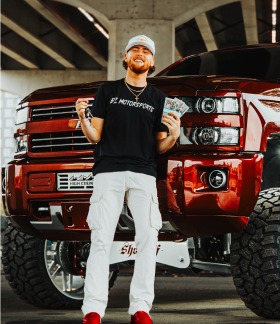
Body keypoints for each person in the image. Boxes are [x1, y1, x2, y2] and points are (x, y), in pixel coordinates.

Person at [76, 35, 180, 324]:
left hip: (144, 174)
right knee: (100, 239)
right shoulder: (107, 91)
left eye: (146, 51)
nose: (139, 53)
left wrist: (172, 136)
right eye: (134, 49)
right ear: (125, 59)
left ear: (152, 62)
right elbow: (95, 135)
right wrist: (84, 119)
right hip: (108, 172)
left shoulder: (158, 99)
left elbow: (159, 145)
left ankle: (140, 308)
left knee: (148, 237)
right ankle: (93, 310)